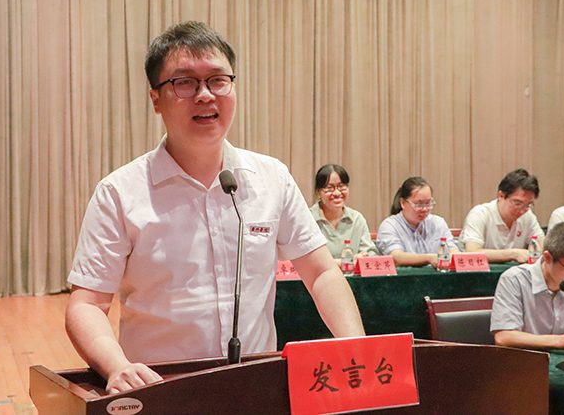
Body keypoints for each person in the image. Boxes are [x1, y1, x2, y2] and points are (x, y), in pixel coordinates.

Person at [65, 21, 365, 393]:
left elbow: (321, 273)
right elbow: (87, 305)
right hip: (162, 389)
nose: (205, 95)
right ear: (155, 99)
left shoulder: (271, 178)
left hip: (257, 385)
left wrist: (357, 348)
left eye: (218, 80)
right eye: (185, 82)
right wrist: (117, 367)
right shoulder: (119, 192)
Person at [459, 168, 544, 263]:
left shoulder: (528, 215)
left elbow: (543, 246)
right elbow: (472, 252)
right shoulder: (480, 214)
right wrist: (513, 254)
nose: (522, 210)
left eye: (528, 204)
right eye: (517, 203)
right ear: (501, 196)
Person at [376, 177, 458, 267]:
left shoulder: (438, 223)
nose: (425, 209)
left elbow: (453, 250)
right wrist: (429, 258)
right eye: (418, 204)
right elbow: (396, 257)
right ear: (403, 203)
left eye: (428, 203)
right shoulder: (390, 226)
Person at [310, 164, 379, 261]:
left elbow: (370, 255)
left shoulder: (357, 219)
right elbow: (308, 261)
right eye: (329, 188)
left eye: (342, 186)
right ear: (318, 192)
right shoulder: (307, 220)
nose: (337, 193)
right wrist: (349, 260)